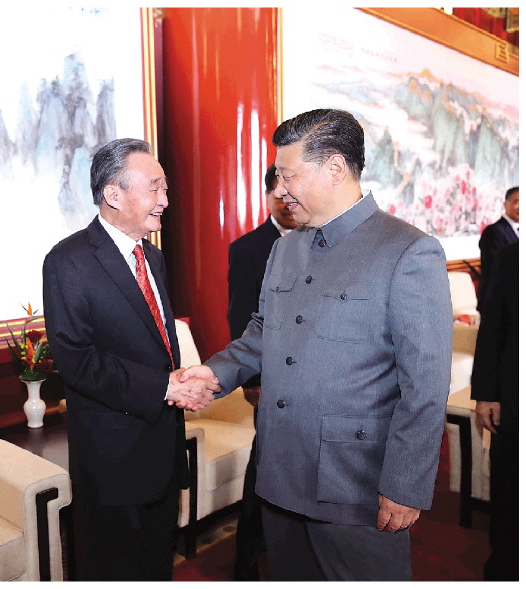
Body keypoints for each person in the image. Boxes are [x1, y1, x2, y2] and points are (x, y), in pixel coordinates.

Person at [182, 109, 453, 581]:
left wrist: (405, 484)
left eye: (288, 175)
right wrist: (215, 372)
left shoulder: (408, 251)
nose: (280, 189)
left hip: (355, 481)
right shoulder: (285, 247)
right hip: (279, 470)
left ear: (334, 167)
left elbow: (425, 385)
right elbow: (263, 329)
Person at [42, 138, 219, 581]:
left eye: (165, 187)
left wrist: (179, 380)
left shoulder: (153, 257)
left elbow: (153, 342)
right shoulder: (68, 261)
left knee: (156, 565)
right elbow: (77, 360)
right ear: (113, 194)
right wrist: (164, 387)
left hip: (163, 447)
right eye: (154, 187)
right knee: (113, 570)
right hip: (113, 459)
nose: (165, 199)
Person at [227, 164, 297, 581]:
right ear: (268, 196)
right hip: (268, 377)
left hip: (308, 379)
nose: (287, 203)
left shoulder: (318, 239)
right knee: (266, 463)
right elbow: (241, 316)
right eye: (279, 196)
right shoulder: (248, 248)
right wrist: (250, 379)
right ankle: (249, 555)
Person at [471, 241, 519, 581]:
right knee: (511, 493)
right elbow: (493, 324)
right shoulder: (514, 254)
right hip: (516, 396)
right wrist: (486, 393)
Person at [477, 186, 519, 312]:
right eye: (517, 202)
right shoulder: (493, 231)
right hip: (498, 303)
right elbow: (494, 269)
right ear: (505, 204)